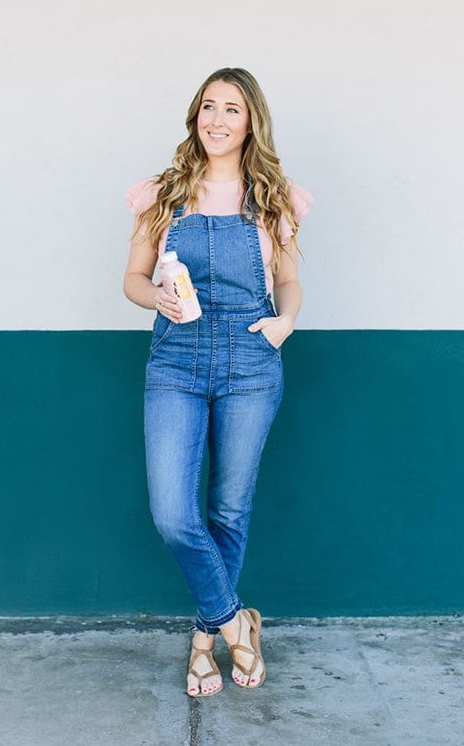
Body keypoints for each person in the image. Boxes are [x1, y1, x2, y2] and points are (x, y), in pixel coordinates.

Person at [123, 67, 312, 697]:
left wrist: (284, 323)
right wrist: (156, 296)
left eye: (233, 109)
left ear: (251, 121)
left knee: (228, 509)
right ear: (194, 116)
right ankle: (236, 625)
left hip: (250, 361)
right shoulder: (165, 192)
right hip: (176, 359)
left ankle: (202, 646)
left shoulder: (274, 195)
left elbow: (287, 279)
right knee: (173, 512)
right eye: (209, 106)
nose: (218, 119)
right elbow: (132, 279)